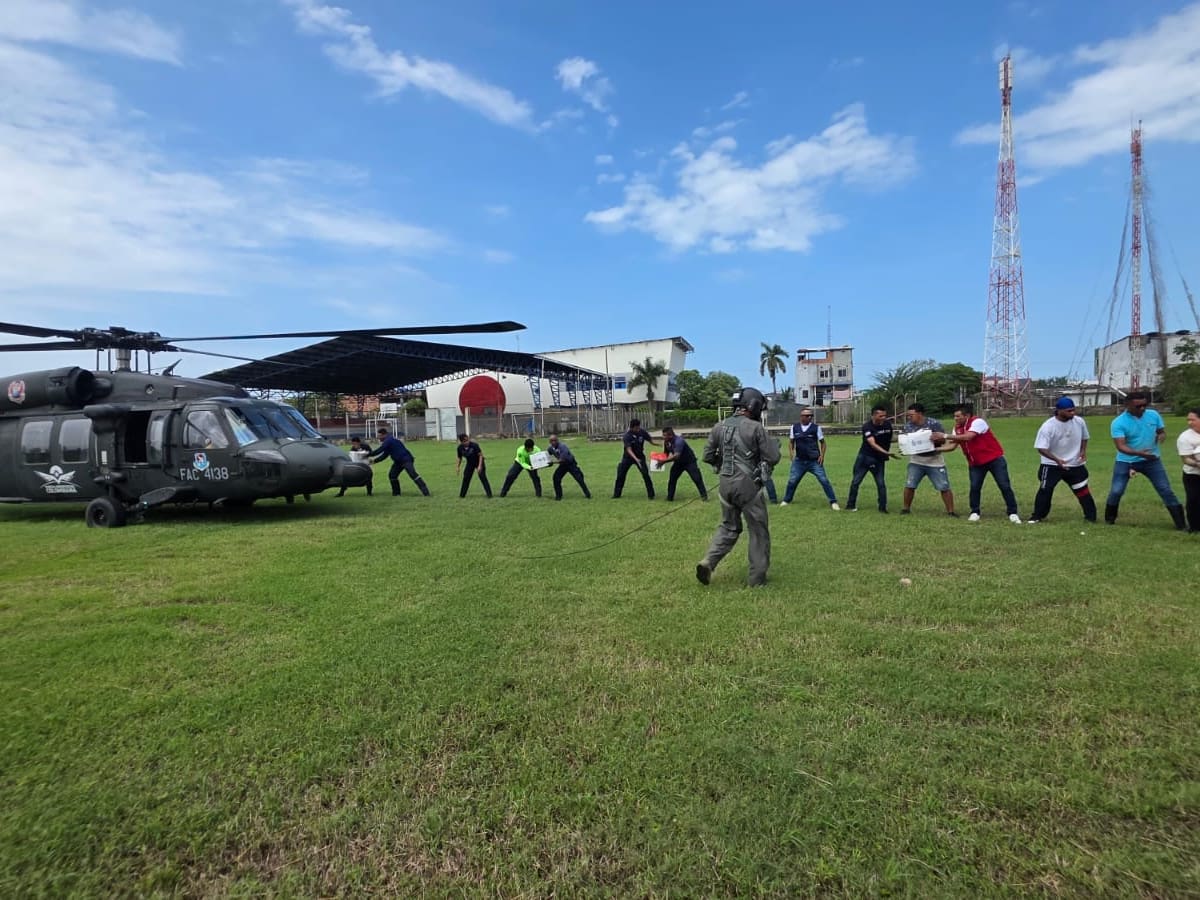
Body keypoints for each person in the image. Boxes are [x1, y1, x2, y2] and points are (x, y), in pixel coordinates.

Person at [696, 387, 781, 588]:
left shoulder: (719, 426)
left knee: (728, 526)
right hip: (748, 486)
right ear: (754, 406)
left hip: (725, 485)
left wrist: (724, 463)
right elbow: (772, 457)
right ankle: (756, 579)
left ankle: (709, 561)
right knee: (758, 531)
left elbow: (707, 456)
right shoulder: (755, 427)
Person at [1105, 391, 1186, 529]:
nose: (1142, 408)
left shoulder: (1153, 415)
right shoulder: (1118, 422)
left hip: (1152, 461)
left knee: (1165, 489)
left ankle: (1181, 524)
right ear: (1127, 405)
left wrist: (1161, 436)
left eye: (1144, 405)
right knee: (1116, 491)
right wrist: (1140, 454)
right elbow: (1121, 446)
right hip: (1126, 461)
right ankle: (1109, 520)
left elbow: (1161, 431)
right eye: (1138, 406)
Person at [943, 403, 1022, 524]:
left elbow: (969, 437)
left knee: (1004, 485)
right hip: (976, 462)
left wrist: (944, 435)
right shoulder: (957, 428)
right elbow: (953, 445)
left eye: (958, 416)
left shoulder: (978, 422)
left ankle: (1013, 512)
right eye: (954, 416)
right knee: (975, 487)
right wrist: (933, 450)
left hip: (994, 460)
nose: (956, 419)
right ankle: (975, 512)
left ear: (967, 415)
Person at [1028, 398, 1096, 524]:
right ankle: (1037, 516)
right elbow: (1041, 448)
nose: (1073, 413)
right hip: (1051, 465)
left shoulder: (1079, 422)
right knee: (1045, 490)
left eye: (1074, 410)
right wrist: (1057, 460)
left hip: (1075, 464)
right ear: (1059, 411)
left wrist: (1082, 451)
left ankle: (1091, 517)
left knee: (1082, 490)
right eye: (1069, 411)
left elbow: (1085, 437)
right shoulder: (1048, 426)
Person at [900, 403, 957, 516]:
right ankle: (906, 509)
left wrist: (934, 439)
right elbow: (906, 441)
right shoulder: (908, 426)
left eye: (911, 415)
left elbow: (943, 440)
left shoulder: (933, 423)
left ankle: (951, 511)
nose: (909, 417)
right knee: (910, 485)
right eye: (908, 415)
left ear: (920, 414)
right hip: (916, 460)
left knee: (944, 486)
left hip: (934, 460)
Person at [779, 408, 840, 510]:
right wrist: (791, 452)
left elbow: (823, 443)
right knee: (792, 481)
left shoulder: (816, 428)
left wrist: (822, 455)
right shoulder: (794, 428)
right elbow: (791, 442)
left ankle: (833, 501)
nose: (810, 417)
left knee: (824, 480)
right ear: (801, 417)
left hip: (814, 461)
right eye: (807, 416)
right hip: (799, 461)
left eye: (811, 415)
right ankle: (786, 500)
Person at [845, 404, 897, 513]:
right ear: (873, 416)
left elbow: (890, 439)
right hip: (865, 458)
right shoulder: (867, 427)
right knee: (856, 482)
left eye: (884, 416)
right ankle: (850, 505)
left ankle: (882, 508)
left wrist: (906, 440)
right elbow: (872, 443)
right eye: (880, 416)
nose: (883, 418)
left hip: (879, 459)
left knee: (881, 483)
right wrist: (887, 452)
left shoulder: (887, 425)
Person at [369, 427, 430, 497]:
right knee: (392, 475)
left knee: (413, 474)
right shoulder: (389, 441)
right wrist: (374, 461)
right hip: (398, 462)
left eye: (379, 436)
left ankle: (426, 493)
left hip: (406, 460)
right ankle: (396, 494)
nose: (378, 438)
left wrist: (367, 454)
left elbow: (379, 450)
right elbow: (384, 455)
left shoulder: (388, 440)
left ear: (384, 435)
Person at [612, 418, 657, 499]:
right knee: (621, 475)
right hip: (628, 457)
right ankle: (616, 494)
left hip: (640, 456)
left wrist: (656, 444)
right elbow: (629, 450)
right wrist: (636, 459)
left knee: (645, 474)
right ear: (631, 427)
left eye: (639, 427)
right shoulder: (627, 436)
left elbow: (650, 440)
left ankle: (651, 495)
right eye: (636, 428)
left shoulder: (642, 432)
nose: (638, 429)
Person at [661, 426, 708, 501]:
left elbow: (676, 456)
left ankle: (704, 496)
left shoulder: (679, 441)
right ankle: (670, 497)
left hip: (689, 462)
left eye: (664, 435)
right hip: (678, 463)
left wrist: (664, 461)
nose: (663, 437)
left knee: (696, 478)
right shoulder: (667, 442)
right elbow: (666, 453)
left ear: (670, 435)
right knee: (672, 479)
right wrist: (659, 459)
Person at [546, 433, 591, 500]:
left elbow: (562, 459)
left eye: (555, 440)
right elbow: (546, 454)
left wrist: (552, 462)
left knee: (579, 479)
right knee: (556, 478)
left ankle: (588, 494)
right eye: (551, 441)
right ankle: (558, 496)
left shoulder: (562, 446)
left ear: (557, 440)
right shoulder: (550, 448)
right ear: (549, 442)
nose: (553, 442)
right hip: (563, 466)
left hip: (570, 464)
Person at [1177, 408, 1200, 533]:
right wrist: (1197, 463)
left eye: (1193, 420)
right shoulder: (1185, 437)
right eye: (1188, 420)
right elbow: (1185, 459)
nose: (1190, 422)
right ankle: (1194, 527)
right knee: (1193, 500)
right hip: (1193, 474)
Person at [455, 433, 492, 498]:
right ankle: (462, 495)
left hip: (479, 462)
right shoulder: (460, 448)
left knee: (482, 477)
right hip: (470, 463)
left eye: (467, 440)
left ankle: (489, 495)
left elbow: (480, 455)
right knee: (466, 477)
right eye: (465, 441)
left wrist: (480, 466)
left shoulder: (474, 445)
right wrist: (457, 467)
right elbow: (459, 458)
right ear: (461, 442)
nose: (467, 442)